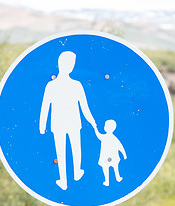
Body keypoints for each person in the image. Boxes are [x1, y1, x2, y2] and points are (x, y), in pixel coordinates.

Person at [39, 51, 96, 190]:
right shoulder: (76, 85)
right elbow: (85, 108)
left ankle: (63, 181)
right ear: (69, 66)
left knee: (61, 152)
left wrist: (42, 126)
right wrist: (92, 121)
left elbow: (44, 108)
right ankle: (77, 173)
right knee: (76, 148)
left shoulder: (51, 85)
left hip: (58, 124)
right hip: (73, 123)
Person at [94, 120, 127, 186]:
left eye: (106, 126)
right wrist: (95, 128)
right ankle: (111, 180)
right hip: (108, 157)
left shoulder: (109, 137)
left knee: (112, 167)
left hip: (112, 156)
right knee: (110, 167)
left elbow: (119, 146)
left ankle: (114, 178)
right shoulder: (107, 137)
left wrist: (124, 154)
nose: (105, 127)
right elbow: (98, 135)